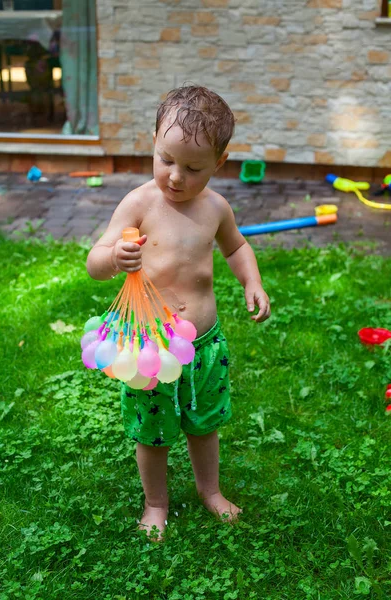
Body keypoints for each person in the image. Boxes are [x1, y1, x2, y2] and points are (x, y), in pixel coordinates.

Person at [86, 85, 270, 539]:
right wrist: (114, 259)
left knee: (204, 425)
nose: (175, 177)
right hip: (150, 349)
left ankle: (210, 490)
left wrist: (252, 281)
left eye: (193, 168)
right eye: (166, 159)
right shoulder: (139, 203)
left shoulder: (215, 208)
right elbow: (96, 260)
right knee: (153, 434)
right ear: (153, 141)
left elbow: (237, 246)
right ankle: (156, 503)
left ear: (219, 163)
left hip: (204, 346)